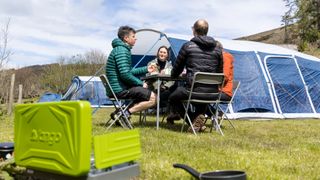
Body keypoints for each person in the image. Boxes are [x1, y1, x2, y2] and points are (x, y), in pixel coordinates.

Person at [167, 19, 223, 132]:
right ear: (207, 30)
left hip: (193, 89)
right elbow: (219, 72)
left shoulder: (188, 46)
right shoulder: (217, 50)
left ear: (194, 30)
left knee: (172, 97)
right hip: (212, 93)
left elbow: (177, 69)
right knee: (202, 95)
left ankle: (193, 121)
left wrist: (174, 75)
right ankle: (198, 120)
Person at [105, 25, 156, 120]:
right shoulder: (122, 50)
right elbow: (125, 74)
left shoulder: (120, 49)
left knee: (143, 94)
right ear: (126, 38)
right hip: (119, 90)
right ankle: (124, 114)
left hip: (116, 88)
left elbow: (129, 70)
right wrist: (141, 83)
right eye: (133, 36)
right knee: (153, 98)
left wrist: (146, 69)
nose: (135, 39)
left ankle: (119, 113)